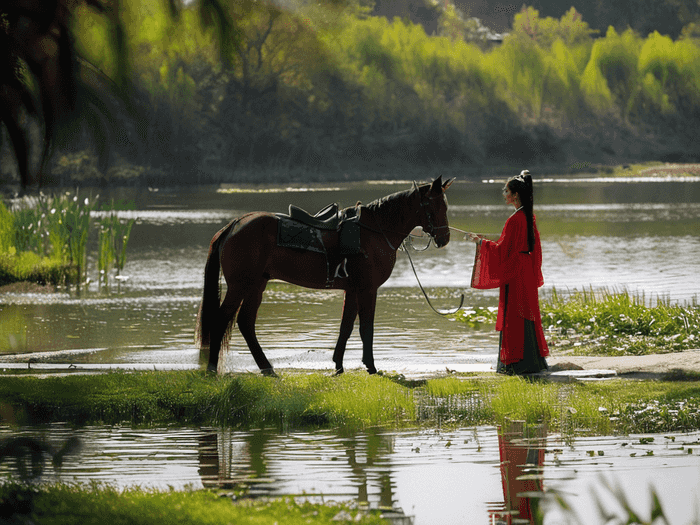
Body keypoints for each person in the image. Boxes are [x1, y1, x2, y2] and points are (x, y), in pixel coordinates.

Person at [467, 170, 549, 375]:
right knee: (526, 313)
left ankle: (515, 364)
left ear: (515, 195)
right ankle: (532, 362)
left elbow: (502, 250)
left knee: (514, 314)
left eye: (506, 190)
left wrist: (480, 242)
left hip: (515, 271)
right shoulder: (528, 217)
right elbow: (534, 249)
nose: (504, 194)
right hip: (525, 270)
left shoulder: (514, 220)